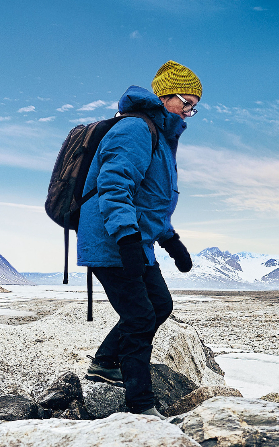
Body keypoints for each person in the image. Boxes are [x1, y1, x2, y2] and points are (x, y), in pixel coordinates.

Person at [77, 60, 199, 418]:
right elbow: (114, 187)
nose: (190, 112)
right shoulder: (135, 129)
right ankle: (140, 404)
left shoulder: (160, 137)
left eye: (195, 106)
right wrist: (127, 239)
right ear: (164, 97)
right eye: (186, 102)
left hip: (136, 241)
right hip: (111, 242)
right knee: (141, 317)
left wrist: (170, 240)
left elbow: (148, 202)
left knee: (160, 305)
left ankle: (104, 362)